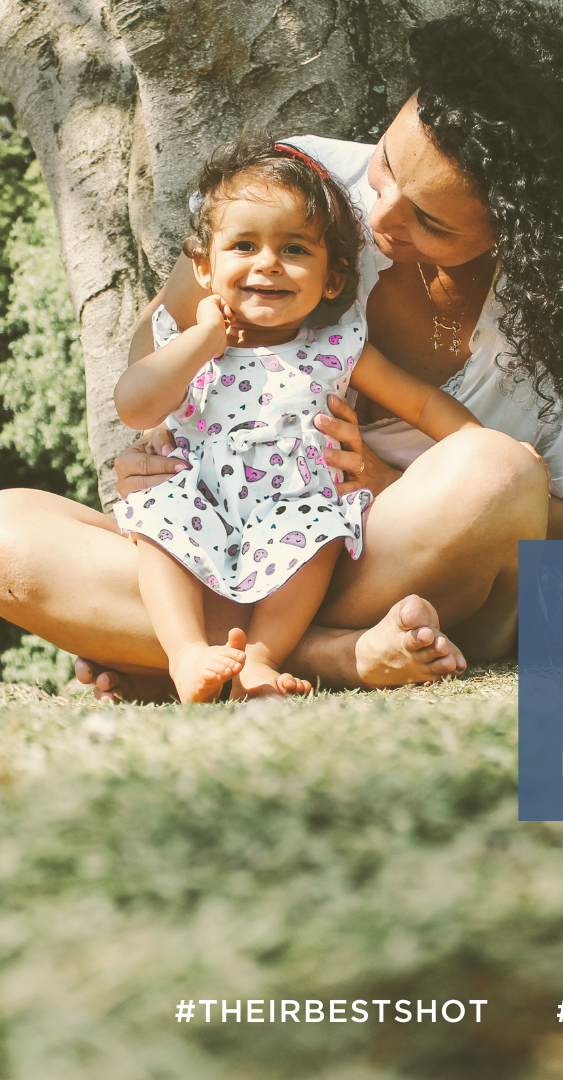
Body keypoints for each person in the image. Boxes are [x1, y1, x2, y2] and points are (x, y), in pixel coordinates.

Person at [0, 2, 563, 701]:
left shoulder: (557, 334)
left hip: (391, 568)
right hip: (225, 533)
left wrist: (389, 484)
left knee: (497, 472)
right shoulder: (304, 191)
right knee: (7, 536)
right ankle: (323, 656)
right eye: (388, 163)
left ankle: (182, 649)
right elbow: (161, 326)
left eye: (431, 221)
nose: (378, 216)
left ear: (518, 235)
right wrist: (158, 437)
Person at [113, 136, 480, 701]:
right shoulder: (187, 343)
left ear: (332, 279)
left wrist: (474, 446)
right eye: (243, 245)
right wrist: (204, 338)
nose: (267, 263)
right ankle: (185, 652)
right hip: (198, 500)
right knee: (158, 521)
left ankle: (260, 657)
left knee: (321, 530)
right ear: (206, 268)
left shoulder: (336, 347)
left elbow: (424, 403)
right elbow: (135, 405)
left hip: (293, 507)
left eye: (295, 250)